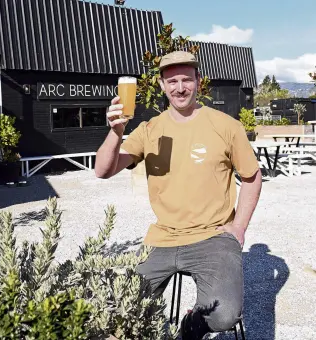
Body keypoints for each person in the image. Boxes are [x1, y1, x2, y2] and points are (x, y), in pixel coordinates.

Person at [94, 50, 262, 339]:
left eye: (187, 79)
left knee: (223, 316)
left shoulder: (226, 126)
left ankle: (189, 326)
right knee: (119, 307)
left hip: (212, 238)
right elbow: (102, 171)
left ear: (199, 81)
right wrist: (115, 132)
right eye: (172, 81)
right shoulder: (149, 129)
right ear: (161, 85)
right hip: (162, 239)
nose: (180, 88)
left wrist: (239, 227)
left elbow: (252, 176)